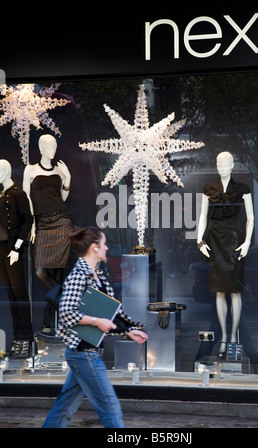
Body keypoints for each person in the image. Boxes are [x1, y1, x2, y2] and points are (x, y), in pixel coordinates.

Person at [42, 226, 148, 428]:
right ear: (94, 247)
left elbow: (110, 314)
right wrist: (95, 321)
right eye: (104, 244)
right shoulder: (78, 275)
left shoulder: (97, 274)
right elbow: (66, 312)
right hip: (85, 354)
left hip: (83, 353)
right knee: (110, 409)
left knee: (63, 410)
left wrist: (128, 330)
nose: (107, 248)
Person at [197, 151, 254, 358]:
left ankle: (233, 337)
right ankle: (223, 338)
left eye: (226, 163)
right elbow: (203, 216)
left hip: (234, 241)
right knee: (219, 291)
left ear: (232, 165)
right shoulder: (208, 190)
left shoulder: (242, 189)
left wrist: (247, 242)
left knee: (234, 290)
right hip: (214, 241)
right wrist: (199, 240)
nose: (222, 166)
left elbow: (251, 217)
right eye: (219, 163)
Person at [23, 134, 72, 332]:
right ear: (41, 148)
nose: (52, 148)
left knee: (58, 274)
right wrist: (32, 224)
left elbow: (63, 197)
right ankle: (66, 307)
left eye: (54, 145)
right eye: (48, 145)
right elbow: (27, 199)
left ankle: (48, 321)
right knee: (40, 271)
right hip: (42, 224)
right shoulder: (30, 170)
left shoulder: (60, 170)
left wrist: (67, 177)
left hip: (61, 221)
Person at [0, 160, 34, 354]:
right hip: (1, 248)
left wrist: (17, 248)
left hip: (13, 248)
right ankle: (17, 337)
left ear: (6, 172)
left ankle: (26, 338)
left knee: (19, 292)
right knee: (11, 294)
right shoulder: (1, 195)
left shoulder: (18, 194)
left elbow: (27, 221)